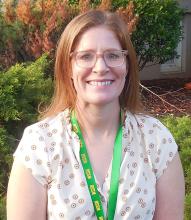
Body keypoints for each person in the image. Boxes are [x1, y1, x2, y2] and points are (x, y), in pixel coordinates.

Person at [7, 9, 185, 220]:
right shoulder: (40, 144)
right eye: (85, 56)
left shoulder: (156, 140)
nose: (100, 67)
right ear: (68, 67)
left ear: (126, 65)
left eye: (113, 55)